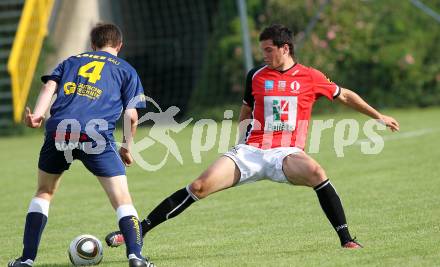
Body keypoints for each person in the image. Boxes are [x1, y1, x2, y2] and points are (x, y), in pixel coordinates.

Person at [105, 24, 400, 251]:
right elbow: (246, 108)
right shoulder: (256, 75)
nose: (265, 55)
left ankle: (346, 239)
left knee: (317, 172)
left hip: (285, 153)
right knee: (198, 185)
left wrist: (378, 116)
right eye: (263, 51)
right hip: (250, 150)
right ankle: (139, 230)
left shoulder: (310, 77)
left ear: (285, 49)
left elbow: (345, 95)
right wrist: (242, 138)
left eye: (269, 50)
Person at [9, 23, 154, 267]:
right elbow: (131, 116)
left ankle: (26, 260)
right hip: (95, 135)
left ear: (93, 45)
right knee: (122, 200)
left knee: (44, 192)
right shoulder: (127, 70)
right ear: (119, 45)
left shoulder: (70, 61)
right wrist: (127, 147)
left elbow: (49, 86)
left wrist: (38, 114)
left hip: (59, 131)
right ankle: (136, 257)